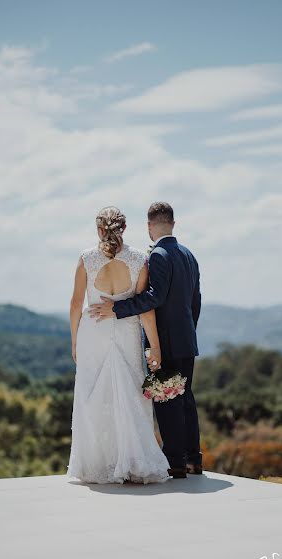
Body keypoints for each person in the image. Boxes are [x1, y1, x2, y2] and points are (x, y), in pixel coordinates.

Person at [89, 202, 202, 479]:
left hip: (167, 340)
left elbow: (154, 298)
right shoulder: (189, 255)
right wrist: (189, 329)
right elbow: (195, 301)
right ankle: (192, 458)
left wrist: (117, 308)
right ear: (172, 224)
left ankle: (175, 461)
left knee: (167, 401)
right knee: (185, 398)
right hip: (187, 339)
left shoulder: (159, 256)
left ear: (150, 226)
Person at [67, 205, 170, 484]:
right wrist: (155, 347)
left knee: (93, 397)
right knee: (132, 393)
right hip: (126, 331)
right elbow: (145, 309)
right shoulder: (139, 259)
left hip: (93, 333)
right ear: (123, 228)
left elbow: (77, 303)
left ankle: (97, 464)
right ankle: (135, 462)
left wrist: (75, 340)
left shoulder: (86, 258)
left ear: (99, 229)